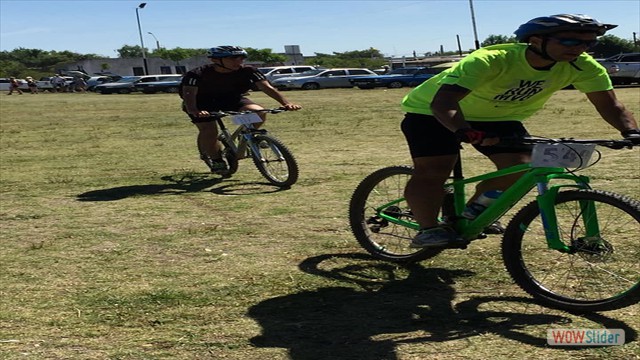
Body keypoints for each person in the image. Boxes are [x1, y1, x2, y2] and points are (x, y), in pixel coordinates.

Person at [400, 14, 640, 248]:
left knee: (521, 168)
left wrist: (631, 131)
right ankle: (429, 229)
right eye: (570, 40)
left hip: (500, 117)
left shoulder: (582, 65)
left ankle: (471, 214)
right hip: (433, 112)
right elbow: (444, 102)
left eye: (589, 42)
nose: (581, 48)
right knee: (435, 169)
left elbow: (610, 104)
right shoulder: (492, 59)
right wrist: (465, 131)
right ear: (536, 41)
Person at [181, 45, 302, 174]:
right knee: (209, 130)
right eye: (233, 58)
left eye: (241, 58)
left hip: (232, 99)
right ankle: (216, 160)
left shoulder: (248, 70)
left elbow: (267, 87)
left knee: (259, 112)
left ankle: (248, 136)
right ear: (215, 60)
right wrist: (194, 110)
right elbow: (189, 94)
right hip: (201, 103)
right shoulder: (196, 74)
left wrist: (286, 103)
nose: (238, 62)